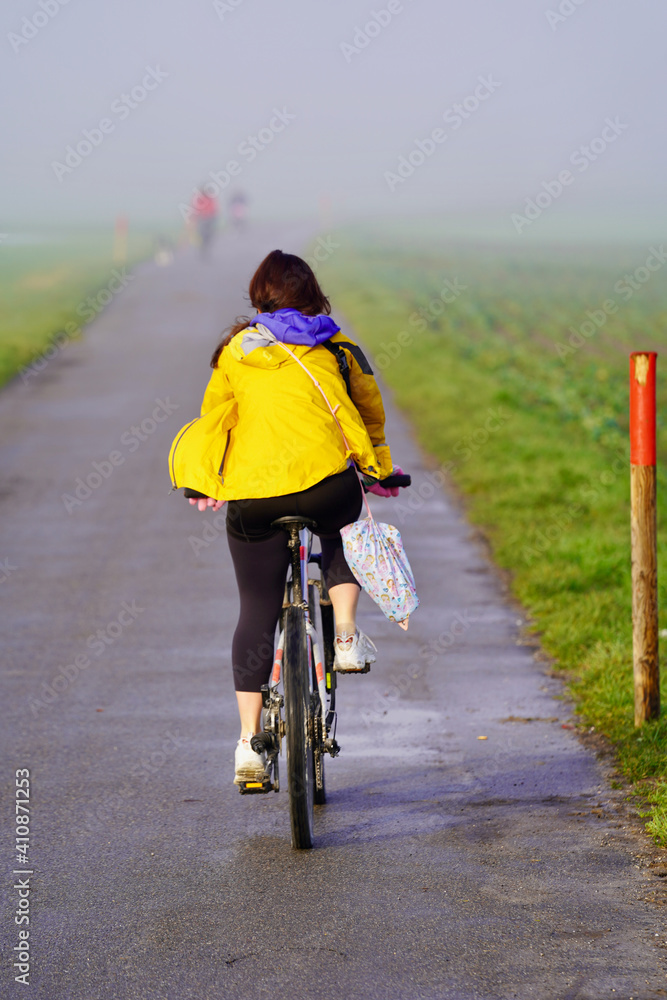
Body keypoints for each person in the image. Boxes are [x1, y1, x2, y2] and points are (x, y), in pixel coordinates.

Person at [181, 249, 401, 785]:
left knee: (256, 604)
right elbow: (368, 412)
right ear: (313, 294)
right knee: (345, 528)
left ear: (260, 297)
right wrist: (381, 470)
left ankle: (249, 745)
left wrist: (205, 481)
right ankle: (345, 636)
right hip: (327, 486)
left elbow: (217, 419)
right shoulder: (339, 346)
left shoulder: (236, 351)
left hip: (256, 499)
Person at [190, 186, 218, 257]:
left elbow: (214, 208)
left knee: (209, 235)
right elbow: (195, 208)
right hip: (202, 219)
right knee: (202, 234)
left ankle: (206, 246)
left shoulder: (211, 198)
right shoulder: (199, 198)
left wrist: (213, 216)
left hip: (209, 219)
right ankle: (203, 248)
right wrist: (195, 217)